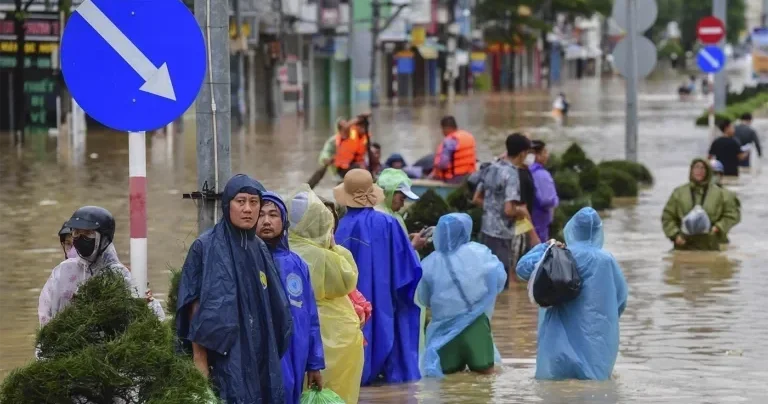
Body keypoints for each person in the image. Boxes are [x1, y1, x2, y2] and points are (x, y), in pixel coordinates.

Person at [175, 174, 293, 404]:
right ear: (228, 205)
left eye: (254, 202)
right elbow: (194, 305)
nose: (248, 209)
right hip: (225, 355)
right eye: (241, 201)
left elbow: (275, 304)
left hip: (260, 349)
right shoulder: (205, 247)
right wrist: (199, 357)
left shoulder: (258, 247)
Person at [516, 208, 628, 380]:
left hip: (555, 342)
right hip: (595, 345)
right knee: (594, 392)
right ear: (599, 231)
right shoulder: (607, 261)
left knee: (553, 391)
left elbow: (522, 269)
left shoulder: (558, 255)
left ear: (572, 228)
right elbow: (620, 300)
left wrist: (545, 247)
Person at [334, 169, 423, 385]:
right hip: (385, 300)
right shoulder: (389, 224)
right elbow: (409, 267)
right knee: (388, 333)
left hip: (350, 303)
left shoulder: (338, 227)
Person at [287, 186, 365, 404]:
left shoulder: (280, 250)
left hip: (298, 333)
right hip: (335, 335)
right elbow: (348, 279)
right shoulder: (327, 256)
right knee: (335, 392)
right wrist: (333, 247)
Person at [39, 206, 165, 326]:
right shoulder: (62, 272)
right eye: (76, 233)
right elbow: (45, 316)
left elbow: (154, 320)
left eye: (88, 233)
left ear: (103, 239)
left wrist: (140, 305)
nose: (80, 238)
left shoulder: (121, 277)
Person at [417, 213, 506, 377]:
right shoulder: (480, 253)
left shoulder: (428, 263)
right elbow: (499, 279)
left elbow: (423, 297)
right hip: (475, 324)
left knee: (447, 381)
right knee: (485, 376)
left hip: (442, 331)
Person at [256, 191, 325, 404]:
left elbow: (311, 316)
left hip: (296, 350)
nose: (266, 221)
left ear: (284, 221)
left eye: (273, 215)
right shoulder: (247, 261)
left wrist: (314, 364)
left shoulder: (297, 264)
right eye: (261, 215)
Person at [472, 133, 535, 289]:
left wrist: (493, 208)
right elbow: (508, 210)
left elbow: (477, 199)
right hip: (501, 236)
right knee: (501, 285)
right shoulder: (512, 174)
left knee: (487, 283)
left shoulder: (491, 168)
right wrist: (521, 211)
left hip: (485, 231)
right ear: (522, 153)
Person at [661, 158, 740, 251]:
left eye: (703, 168)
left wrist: (718, 228)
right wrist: (675, 235)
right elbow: (667, 216)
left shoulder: (723, 194)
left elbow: (732, 215)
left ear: (708, 171)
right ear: (691, 170)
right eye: (696, 167)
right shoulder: (679, 192)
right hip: (683, 245)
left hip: (711, 245)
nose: (699, 171)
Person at [375, 168, 428, 250]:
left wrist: (407, 240)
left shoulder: (393, 215)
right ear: (389, 193)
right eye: (401, 199)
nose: (403, 204)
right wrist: (412, 246)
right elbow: (384, 254)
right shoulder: (379, 218)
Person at [431, 116, 477, 183]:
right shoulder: (468, 136)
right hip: (469, 176)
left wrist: (436, 167)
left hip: (454, 178)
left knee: (430, 175)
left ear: (446, 128)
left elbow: (443, 164)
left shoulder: (450, 141)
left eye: (442, 129)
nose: (442, 132)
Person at [529, 140, 559, 241]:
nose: (547, 155)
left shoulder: (524, 170)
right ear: (537, 155)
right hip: (539, 221)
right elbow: (548, 200)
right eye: (545, 152)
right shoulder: (541, 174)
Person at [709, 160, 741, 244]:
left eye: (716, 173)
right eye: (710, 173)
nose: (713, 176)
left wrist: (719, 227)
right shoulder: (694, 193)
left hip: (719, 239)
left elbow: (735, 217)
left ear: (721, 175)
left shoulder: (728, 195)